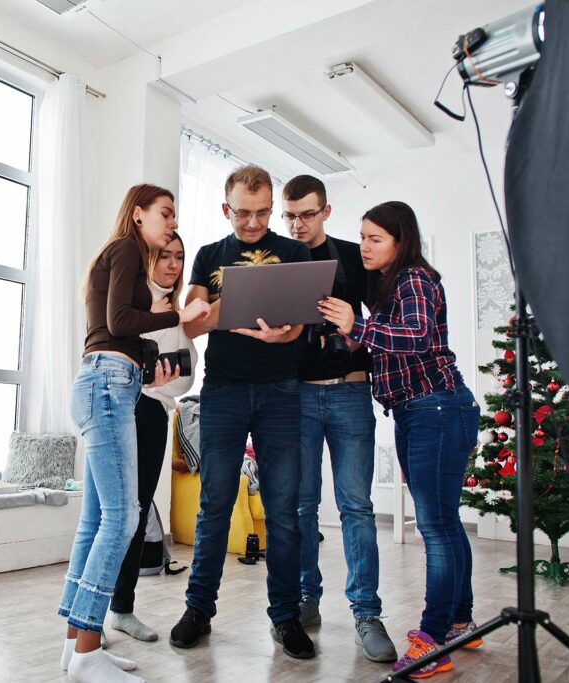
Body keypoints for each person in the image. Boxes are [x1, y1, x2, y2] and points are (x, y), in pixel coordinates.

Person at [318, 201, 482, 679]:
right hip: (422, 410)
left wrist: (357, 325)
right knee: (445, 522)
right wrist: (358, 339)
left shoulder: (414, 279)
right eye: (362, 237)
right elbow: (396, 341)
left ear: (400, 240)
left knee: (435, 526)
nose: (364, 247)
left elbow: (415, 337)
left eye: (375, 239)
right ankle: (460, 623)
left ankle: (432, 641)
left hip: (437, 409)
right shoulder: (393, 283)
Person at [58, 184, 209, 683]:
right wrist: (179, 316)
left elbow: (117, 327)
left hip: (106, 381)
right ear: (138, 213)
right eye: (166, 213)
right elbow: (119, 321)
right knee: (122, 519)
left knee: (95, 521)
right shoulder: (125, 247)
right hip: (107, 383)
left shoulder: (118, 254)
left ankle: (75, 645)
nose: (173, 222)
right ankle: (87, 653)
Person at [169, 165, 316, 661]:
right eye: (243, 213)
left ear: (271, 208)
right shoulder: (209, 256)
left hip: (281, 393)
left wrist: (283, 334)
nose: (253, 223)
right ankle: (198, 609)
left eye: (262, 212)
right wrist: (217, 305)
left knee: (284, 511)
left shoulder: (294, 253)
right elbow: (190, 325)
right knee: (213, 504)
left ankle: (285, 616)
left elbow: (301, 326)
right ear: (225, 208)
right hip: (224, 392)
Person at [281, 176, 396, 662]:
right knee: (302, 506)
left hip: (350, 391)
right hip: (298, 396)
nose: (297, 224)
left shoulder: (354, 256)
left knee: (357, 507)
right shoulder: (278, 260)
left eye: (307, 214)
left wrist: (355, 327)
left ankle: (366, 613)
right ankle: (306, 599)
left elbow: (388, 319)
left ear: (326, 211)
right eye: (290, 215)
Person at [110, 233, 198, 642]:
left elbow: (184, 381)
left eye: (179, 257)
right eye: (165, 256)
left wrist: (155, 380)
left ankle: (121, 609)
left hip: (154, 415)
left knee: (138, 510)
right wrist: (148, 380)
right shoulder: (130, 307)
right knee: (112, 515)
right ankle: (87, 616)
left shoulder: (177, 317)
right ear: (148, 259)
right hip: (125, 408)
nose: (173, 264)